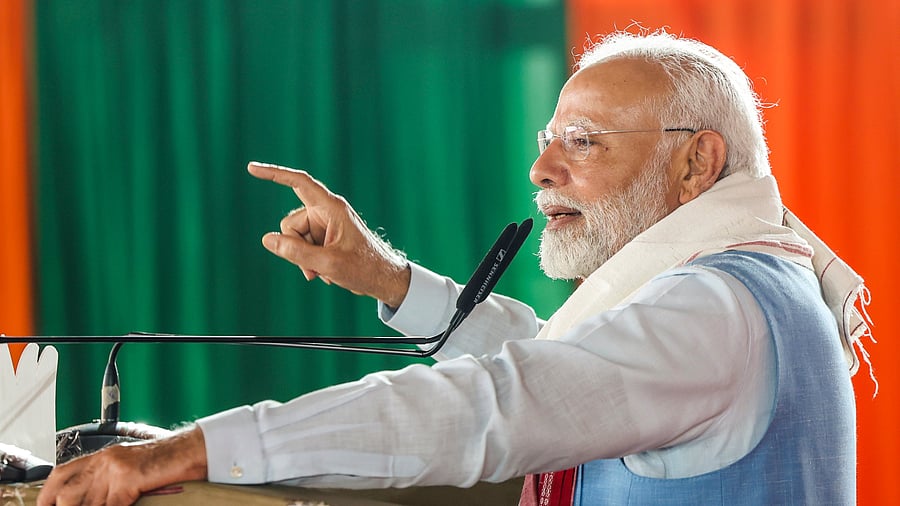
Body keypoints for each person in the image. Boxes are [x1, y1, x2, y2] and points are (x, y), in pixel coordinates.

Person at [37, 30, 870, 506]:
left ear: (697, 164)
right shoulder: (741, 280)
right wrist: (387, 279)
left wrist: (188, 451)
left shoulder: (715, 308)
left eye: (583, 142)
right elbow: (564, 366)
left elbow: (499, 405)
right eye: (547, 140)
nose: (541, 170)